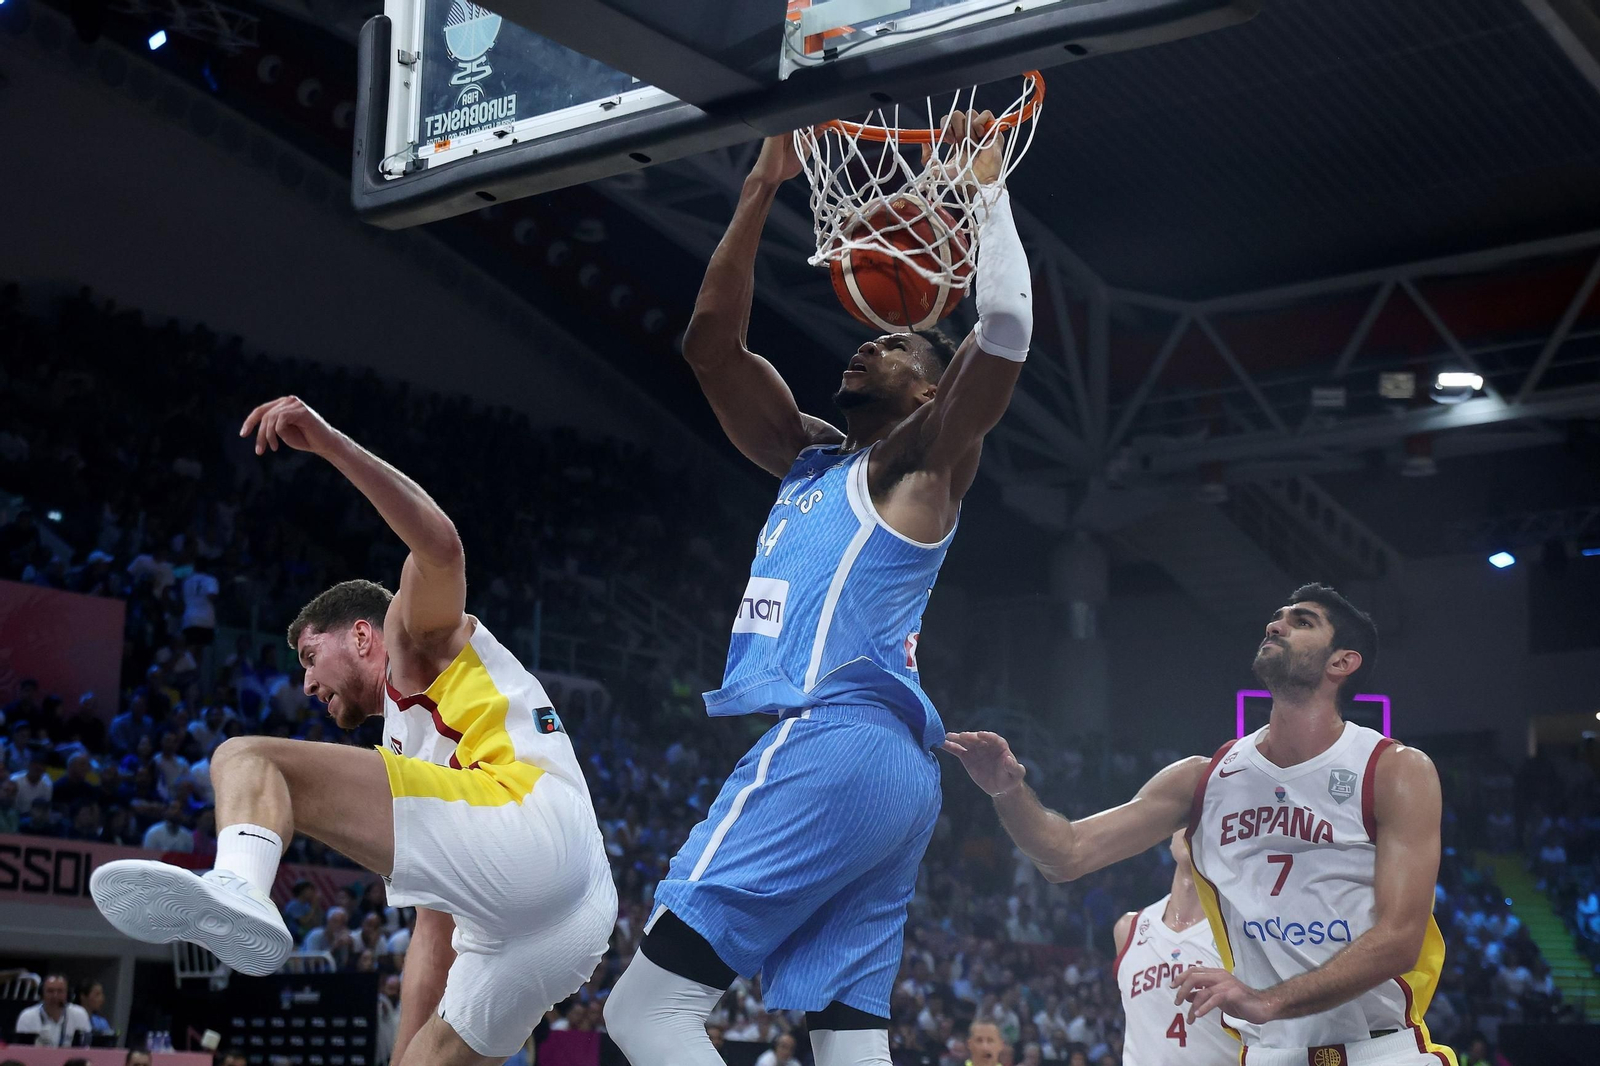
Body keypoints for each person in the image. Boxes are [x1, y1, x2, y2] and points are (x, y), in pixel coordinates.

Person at [606, 117, 1034, 1066]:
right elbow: (712, 347)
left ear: (932, 394)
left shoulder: (918, 465)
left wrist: (988, 192)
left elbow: (1003, 333)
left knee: (644, 1017)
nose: (868, 347)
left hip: (836, 736)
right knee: (847, 1044)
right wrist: (761, 186)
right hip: (896, 777)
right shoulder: (809, 462)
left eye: (898, 346)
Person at [92, 396, 617, 1066]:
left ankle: (241, 886)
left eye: (311, 658)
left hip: (532, 821)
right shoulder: (409, 745)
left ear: (362, 634)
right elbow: (434, 930)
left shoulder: (411, 634)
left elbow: (442, 546)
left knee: (248, 758)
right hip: (568, 921)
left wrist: (333, 445)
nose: (307, 685)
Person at [945, 585, 1456, 1065]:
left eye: (1302, 622)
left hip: (1379, 1050)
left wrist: (1267, 1000)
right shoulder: (1203, 779)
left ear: (1342, 662)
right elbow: (1066, 854)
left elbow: (1400, 938)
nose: (1276, 626)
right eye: (1276, 619)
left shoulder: (1394, 770)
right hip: (1266, 1052)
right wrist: (1008, 792)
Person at [1112, 831, 1242, 1064]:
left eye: (1202, 822)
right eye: (1185, 820)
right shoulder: (1127, 928)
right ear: (1170, 837)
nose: (1192, 828)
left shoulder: (1242, 929)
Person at [13, 974, 93, 1047]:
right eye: (50, 991)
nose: (55, 996)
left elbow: (86, 1046)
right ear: (41, 993)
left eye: (60, 991)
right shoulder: (27, 1016)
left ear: (68, 994)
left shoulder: (79, 1014)